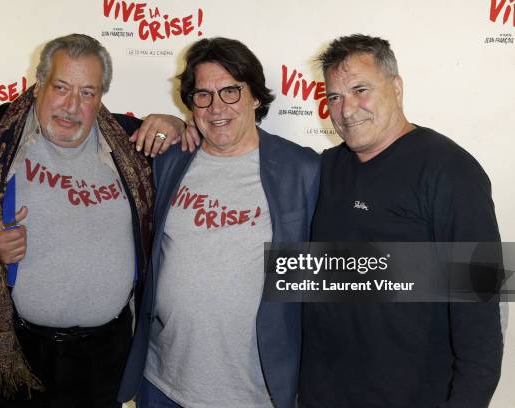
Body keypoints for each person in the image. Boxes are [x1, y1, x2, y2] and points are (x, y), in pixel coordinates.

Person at [0, 33, 194, 408]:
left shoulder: (132, 141)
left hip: (103, 361)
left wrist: (173, 121)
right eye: (61, 87)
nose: (71, 106)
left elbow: (201, 142)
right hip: (4, 355)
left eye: (88, 93)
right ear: (39, 82)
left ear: (102, 95)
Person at [300, 34, 503, 408]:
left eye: (360, 89)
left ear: (396, 87)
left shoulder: (451, 172)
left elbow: (480, 321)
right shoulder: (327, 169)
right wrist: (186, 130)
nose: (346, 110)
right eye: (334, 96)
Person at [118, 37, 321, 408]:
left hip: (255, 393)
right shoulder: (168, 161)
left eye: (231, 91)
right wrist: (168, 123)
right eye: (203, 95)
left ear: (255, 97)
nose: (216, 107)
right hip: (162, 385)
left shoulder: (301, 169)